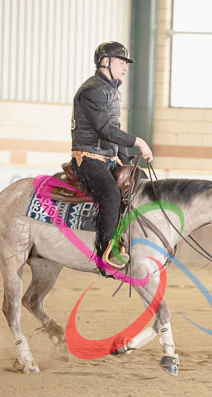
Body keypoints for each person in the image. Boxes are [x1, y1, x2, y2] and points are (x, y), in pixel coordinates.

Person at [70, 41, 153, 275]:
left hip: (107, 158)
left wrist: (126, 162)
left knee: (140, 183)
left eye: (126, 63)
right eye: (121, 62)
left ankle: (132, 240)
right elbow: (105, 130)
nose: (125, 67)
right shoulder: (92, 90)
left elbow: (114, 131)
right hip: (88, 158)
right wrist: (138, 141)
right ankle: (105, 253)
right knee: (111, 194)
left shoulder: (111, 90)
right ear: (105, 62)